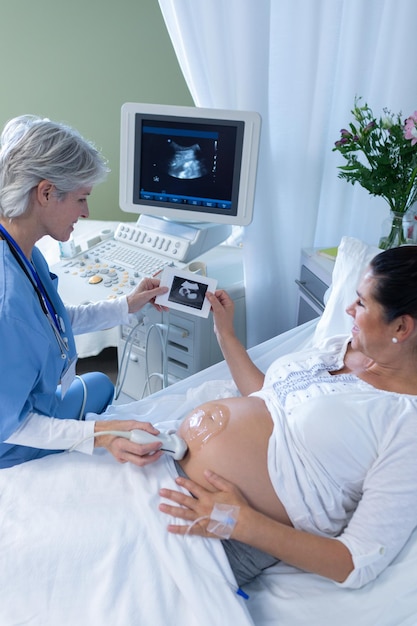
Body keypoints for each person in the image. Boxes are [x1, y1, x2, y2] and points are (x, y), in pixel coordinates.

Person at [156, 245, 417, 590]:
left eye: (362, 303)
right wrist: (226, 333)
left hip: (219, 532)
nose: (348, 309)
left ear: (401, 326)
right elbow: (269, 399)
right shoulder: (341, 347)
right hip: (165, 463)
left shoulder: (406, 424)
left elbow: (356, 562)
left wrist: (239, 522)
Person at [0, 114, 169, 469]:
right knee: (101, 393)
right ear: (46, 192)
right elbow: (11, 425)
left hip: (32, 402)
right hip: (11, 441)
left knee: (98, 384)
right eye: (81, 199)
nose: (86, 211)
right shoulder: (7, 301)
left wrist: (127, 305)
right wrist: (98, 435)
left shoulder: (20, 248)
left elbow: (51, 320)